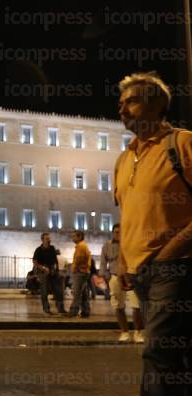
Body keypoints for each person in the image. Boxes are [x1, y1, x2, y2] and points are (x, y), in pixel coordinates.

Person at [115, 72, 192, 395]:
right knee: (177, 355)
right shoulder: (123, 159)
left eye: (131, 101)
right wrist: (123, 264)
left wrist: (172, 250)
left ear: (157, 104)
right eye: (120, 103)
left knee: (157, 350)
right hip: (139, 272)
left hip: (175, 267)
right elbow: (127, 216)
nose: (122, 110)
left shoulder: (183, 144)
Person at [99, 224, 144, 343]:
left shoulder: (131, 244)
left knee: (136, 306)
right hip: (114, 276)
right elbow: (103, 262)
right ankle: (124, 332)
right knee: (118, 306)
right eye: (116, 232)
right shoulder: (107, 245)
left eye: (120, 232)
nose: (118, 234)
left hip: (130, 277)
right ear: (112, 233)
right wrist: (107, 277)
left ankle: (138, 332)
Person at [32, 233, 66, 314]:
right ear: (42, 240)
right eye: (47, 238)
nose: (49, 240)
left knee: (58, 290)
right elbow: (35, 262)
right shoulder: (38, 250)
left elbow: (55, 260)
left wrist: (55, 268)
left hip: (52, 270)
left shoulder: (52, 248)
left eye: (49, 238)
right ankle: (46, 308)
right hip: (43, 271)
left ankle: (60, 308)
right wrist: (43, 268)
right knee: (44, 291)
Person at [67, 231, 91, 318]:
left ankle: (73, 311)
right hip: (83, 272)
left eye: (74, 236)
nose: (72, 238)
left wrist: (75, 268)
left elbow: (79, 259)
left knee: (77, 292)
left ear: (79, 236)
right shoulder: (83, 246)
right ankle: (85, 311)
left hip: (80, 272)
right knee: (83, 293)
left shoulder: (81, 246)